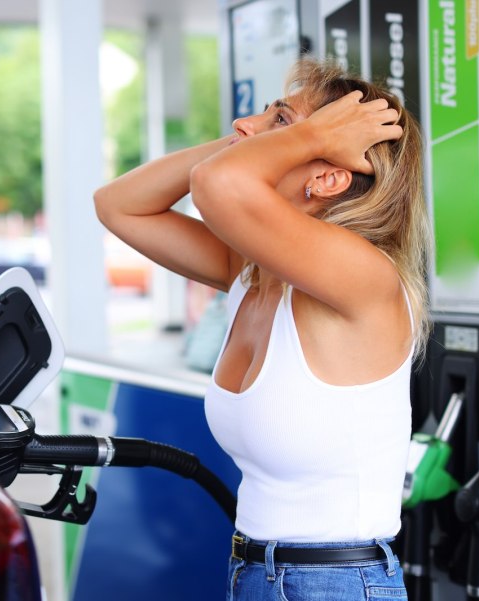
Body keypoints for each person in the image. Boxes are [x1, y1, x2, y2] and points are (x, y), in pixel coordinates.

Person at [94, 58, 430, 600]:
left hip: (339, 585)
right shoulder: (250, 275)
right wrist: (281, 135)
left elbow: (217, 186)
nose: (241, 127)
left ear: (327, 176)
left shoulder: (364, 280)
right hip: (253, 574)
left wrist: (310, 132)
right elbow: (118, 206)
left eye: (276, 120)